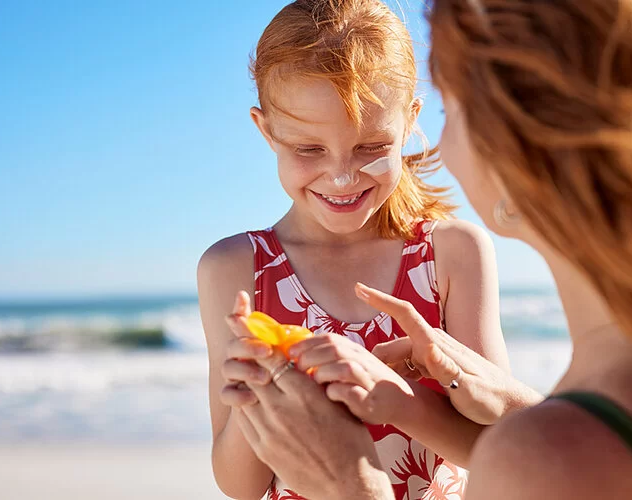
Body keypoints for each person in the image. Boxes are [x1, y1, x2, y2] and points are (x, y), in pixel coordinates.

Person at [220, 0, 632, 499]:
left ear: (514, 141)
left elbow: (542, 457)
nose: (439, 144)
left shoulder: (550, 455)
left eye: (455, 103)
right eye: (310, 148)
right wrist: (483, 409)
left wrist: (351, 488)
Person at [196, 1, 513, 498]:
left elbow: (499, 449)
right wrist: (255, 395)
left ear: (408, 122)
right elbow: (240, 485)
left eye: (370, 147)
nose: (342, 176)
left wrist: (390, 400)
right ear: (266, 130)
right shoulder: (235, 268)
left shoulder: (451, 253)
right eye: (309, 149)